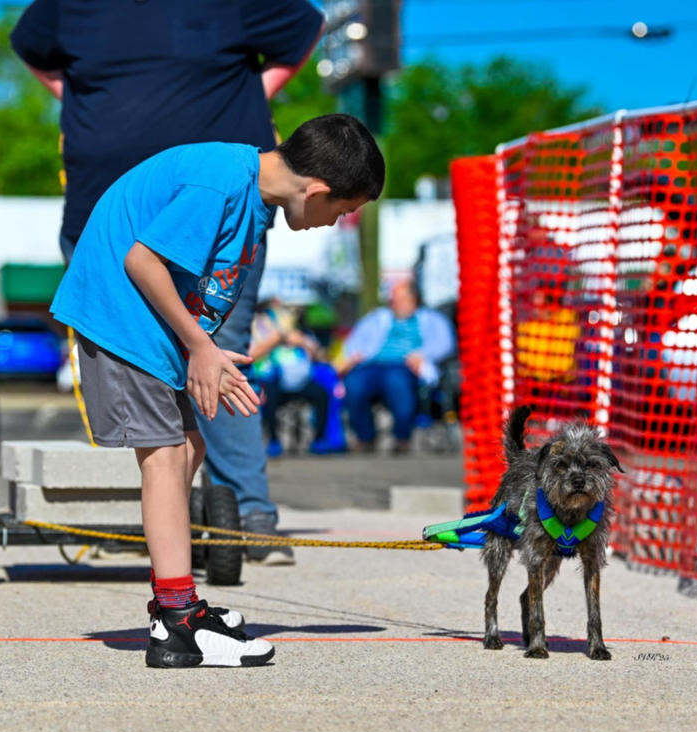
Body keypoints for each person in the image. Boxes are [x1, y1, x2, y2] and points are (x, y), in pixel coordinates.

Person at [48, 114, 385, 667]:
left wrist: (201, 351)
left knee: (190, 447)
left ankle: (174, 598)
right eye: (342, 212)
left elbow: (195, 282)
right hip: (119, 321)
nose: (333, 224)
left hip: (151, 331)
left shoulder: (252, 197)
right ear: (317, 191)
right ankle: (177, 623)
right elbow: (141, 260)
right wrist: (200, 347)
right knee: (165, 457)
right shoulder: (220, 183)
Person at [10, 0, 324, 565]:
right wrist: (79, 100)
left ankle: (245, 512)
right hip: (106, 214)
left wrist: (253, 95)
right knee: (130, 373)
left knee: (221, 356)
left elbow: (306, 26)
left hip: (225, 215)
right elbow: (30, 45)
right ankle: (147, 527)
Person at [340, 279, 455, 453]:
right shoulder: (376, 318)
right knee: (354, 384)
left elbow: (445, 344)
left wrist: (423, 355)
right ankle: (365, 437)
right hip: (372, 364)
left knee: (397, 383)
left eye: (400, 299)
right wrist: (356, 354)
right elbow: (354, 342)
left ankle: (402, 437)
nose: (395, 303)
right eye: (393, 299)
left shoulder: (432, 319)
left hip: (405, 365)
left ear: (413, 300)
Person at [251, 300, 345, 459]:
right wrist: (276, 341)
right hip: (276, 381)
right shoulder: (263, 332)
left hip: (302, 382)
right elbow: (253, 356)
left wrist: (303, 343)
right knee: (269, 397)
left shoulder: (303, 334)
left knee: (322, 394)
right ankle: (274, 441)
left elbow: (321, 356)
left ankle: (320, 439)